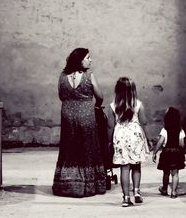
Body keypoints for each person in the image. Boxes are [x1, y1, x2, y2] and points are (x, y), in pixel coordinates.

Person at [52, 48, 107, 197]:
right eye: (88, 57)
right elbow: (99, 96)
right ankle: (89, 185)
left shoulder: (63, 76)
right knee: (88, 147)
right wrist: (95, 104)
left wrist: (71, 101)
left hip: (68, 114)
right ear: (80, 60)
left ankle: (65, 184)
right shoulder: (89, 76)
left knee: (68, 147)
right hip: (86, 114)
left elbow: (61, 95)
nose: (91, 60)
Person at [107, 77, 150, 207]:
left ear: (117, 90)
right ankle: (136, 192)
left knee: (124, 168)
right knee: (136, 166)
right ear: (133, 90)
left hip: (120, 137)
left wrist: (109, 142)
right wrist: (148, 139)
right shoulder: (138, 105)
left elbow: (110, 126)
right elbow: (144, 123)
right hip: (135, 136)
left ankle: (126, 198)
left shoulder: (112, 106)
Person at [152, 107, 186, 199]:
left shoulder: (165, 130)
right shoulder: (180, 130)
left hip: (166, 153)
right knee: (175, 173)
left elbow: (160, 142)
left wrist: (155, 152)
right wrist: (182, 151)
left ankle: (164, 189)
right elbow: (182, 144)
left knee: (166, 173)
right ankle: (174, 192)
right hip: (177, 153)